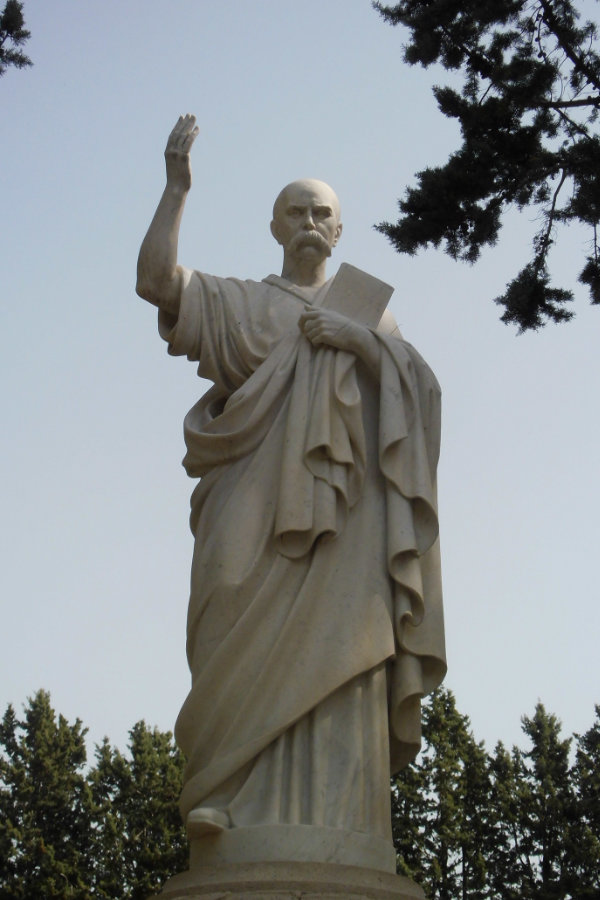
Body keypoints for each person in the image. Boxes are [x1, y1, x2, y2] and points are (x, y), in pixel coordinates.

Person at [136, 114, 446, 861]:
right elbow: (154, 282)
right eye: (296, 211)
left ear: (339, 231)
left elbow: (421, 404)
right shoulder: (241, 301)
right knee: (222, 610)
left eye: (323, 213)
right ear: (275, 225)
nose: (310, 222)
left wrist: (363, 344)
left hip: (347, 521)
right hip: (248, 487)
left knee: (344, 644)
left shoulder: (371, 311)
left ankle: (345, 819)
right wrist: (175, 192)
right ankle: (220, 793)